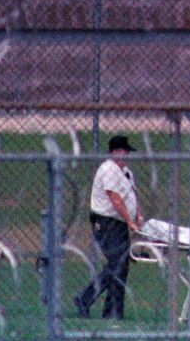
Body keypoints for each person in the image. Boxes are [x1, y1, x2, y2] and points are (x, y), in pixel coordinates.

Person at [73, 135, 143, 320]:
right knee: (117, 264)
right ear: (113, 152)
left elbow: (132, 195)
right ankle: (85, 298)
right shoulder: (109, 170)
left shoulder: (126, 172)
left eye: (127, 152)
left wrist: (138, 215)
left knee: (121, 265)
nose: (125, 155)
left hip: (119, 222)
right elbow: (115, 199)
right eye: (122, 152)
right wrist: (130, 221)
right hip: (106, 222)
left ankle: (113, 311)